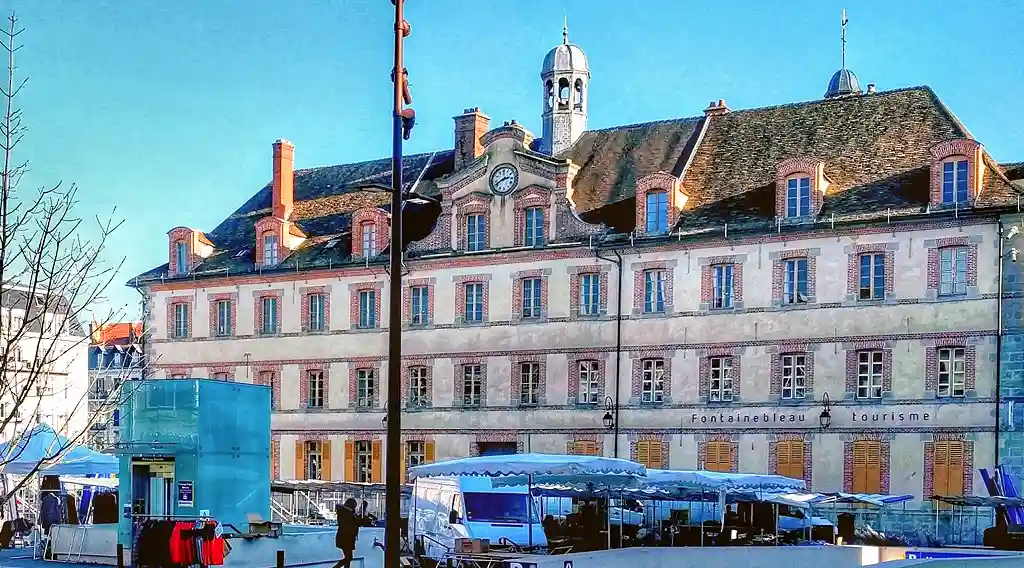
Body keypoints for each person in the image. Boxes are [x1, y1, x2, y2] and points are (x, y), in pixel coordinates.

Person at [333, 498, 359, 568]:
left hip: (344, 538)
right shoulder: (347, 514)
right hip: (346, 538)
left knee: (348, 557)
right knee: (349, 557)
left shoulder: (343, 512)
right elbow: (352, 524)